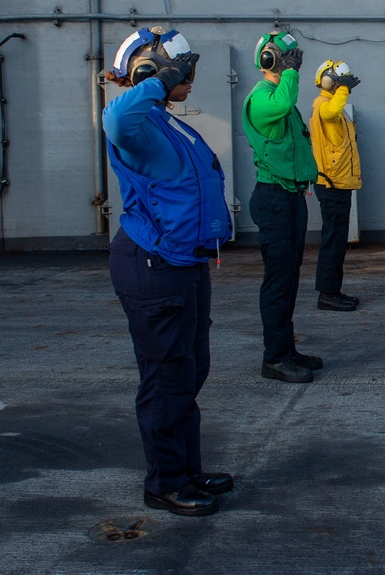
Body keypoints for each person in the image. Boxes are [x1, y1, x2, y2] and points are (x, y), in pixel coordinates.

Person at [103, 27, 234, 517]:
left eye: (189, 68)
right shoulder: (135, 121)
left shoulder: (165, 122)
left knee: (190, 370)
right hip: (154, 265)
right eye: (180, 70)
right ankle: (165, 482)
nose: (189, 79)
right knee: (165, 376)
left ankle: (186, 468)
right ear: (149, 73)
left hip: (185, 261)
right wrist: (155, 82)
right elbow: (115, 117)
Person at [243, 31, 322, 383]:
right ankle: (274, 358)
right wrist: (288, 73)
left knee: (289, 279)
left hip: (289, 196)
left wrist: (287, 73)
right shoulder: (262, 98)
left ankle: (286, 350)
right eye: (287, 59)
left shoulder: (279, 95)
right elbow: (282, 105)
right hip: (274, 199)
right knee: (277, 282)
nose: (294, 66)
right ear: (269, 61)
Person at [310, 59, 362, 312]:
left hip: (338, 183)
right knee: (332, 241)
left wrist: (341, 89)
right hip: (331, 185)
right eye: (340, 81)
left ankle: (333, 291)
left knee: (338, 241)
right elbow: (330, 112)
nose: (345, 87)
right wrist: (343, 89)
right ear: (329, 80)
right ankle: (327, 295)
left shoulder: (334, 106)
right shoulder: (324, 105)